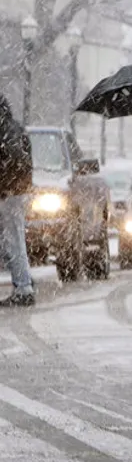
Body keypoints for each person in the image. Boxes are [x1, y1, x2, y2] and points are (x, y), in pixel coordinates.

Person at [0, 95, 35, 307]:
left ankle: (23, 285)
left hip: (8, 194)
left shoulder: (4, 132)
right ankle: (24, 280)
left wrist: (5, 187)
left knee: (12, 239)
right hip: (17, 192)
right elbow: (26, 161)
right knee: (13, 238)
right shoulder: (16, 128)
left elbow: (11, 160)